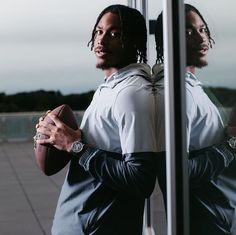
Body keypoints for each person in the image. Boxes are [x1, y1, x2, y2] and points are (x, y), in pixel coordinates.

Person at [35, 4, 158, 235]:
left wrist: (75, 145)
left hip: (97, 227)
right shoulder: (111, 87)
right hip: (78, 222)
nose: (102, 41)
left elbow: (141, 179)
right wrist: (58, 134)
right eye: (99, 32)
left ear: (133, 40)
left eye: (115, 34)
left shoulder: (130, 94)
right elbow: (105, 145)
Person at [154, 3, 236, 235]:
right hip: (207, 222)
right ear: (168, 40)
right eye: (189, 32)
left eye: (203, 30)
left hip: (219, 215)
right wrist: (231, 144)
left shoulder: (192, 88)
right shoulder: (180, 94)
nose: (202, 38)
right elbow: (177, 173)